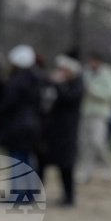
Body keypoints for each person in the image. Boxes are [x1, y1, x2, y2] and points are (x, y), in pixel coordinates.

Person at [38, 52, 85, 206]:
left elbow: (69, 98)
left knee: (66, 165)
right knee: (42, 161)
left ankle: (69, 195)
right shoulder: (55, 83)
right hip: (51, 129)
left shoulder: (77, 83)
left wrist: (58, 84)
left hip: (67, 130)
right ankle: (36, 191)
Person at [76, 51, 111, 183]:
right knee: (84, 143)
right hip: (85, 112)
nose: (90, 64)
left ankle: (108, 164)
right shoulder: (86, 73)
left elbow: (110, 93)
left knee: (97, 141)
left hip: (100, 114)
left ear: (98, 61)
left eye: (93, 61)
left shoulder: (108, 74)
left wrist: (92, 91)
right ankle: (86, 171)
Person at [0, 44, 43, 168]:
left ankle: (18, 188)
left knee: (17, 161)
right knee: (29, 160)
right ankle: (31, 187)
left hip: (16, 126)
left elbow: (8, 103)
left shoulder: (15, 81)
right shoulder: (38, 79)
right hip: (33, 125)